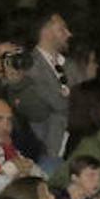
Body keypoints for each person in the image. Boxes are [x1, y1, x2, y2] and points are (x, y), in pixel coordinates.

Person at [12, 10, 72, 162]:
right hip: (44, 149)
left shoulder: (66, 65)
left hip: (65, 148)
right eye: (61, 29)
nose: (69, 34)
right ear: (45, 32)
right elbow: (58, 104)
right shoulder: (31, 66)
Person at [0, 95, 40, 193]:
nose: (5, 126)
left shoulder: (10, 148)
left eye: (9, 120)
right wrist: (8, 171)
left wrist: (30, 171)